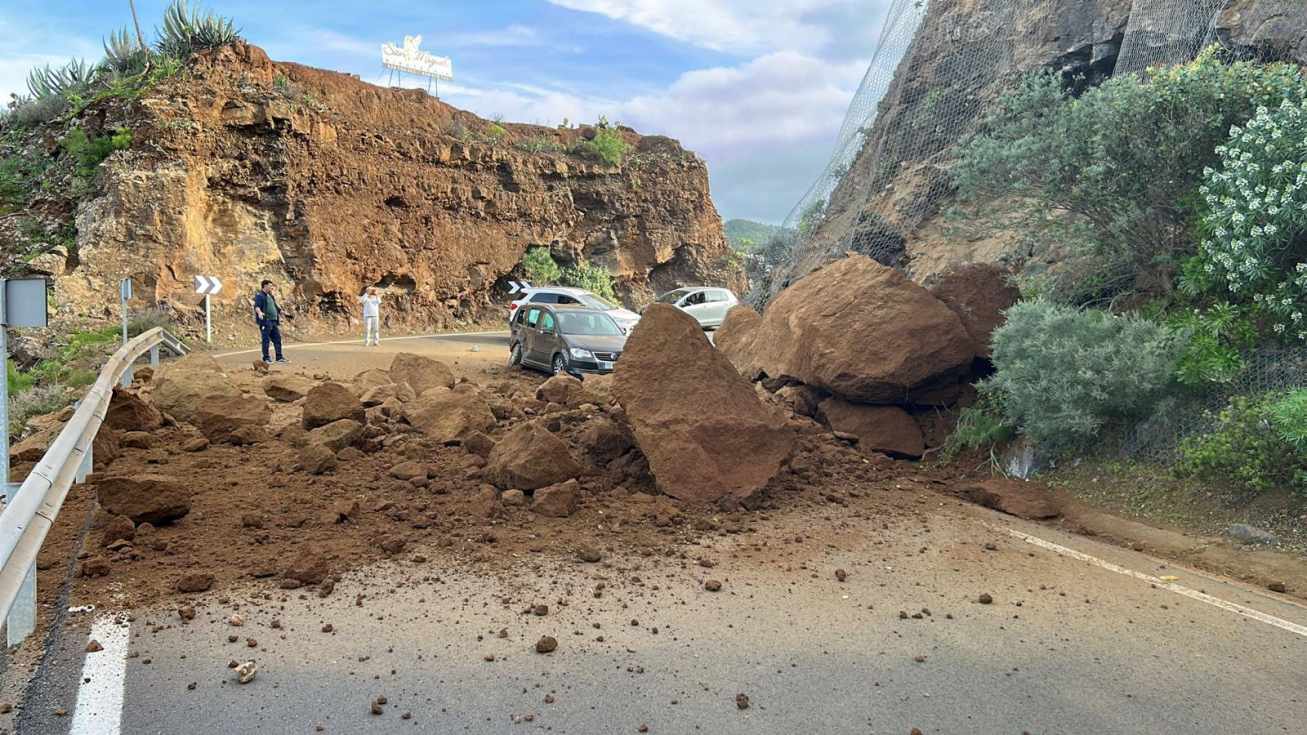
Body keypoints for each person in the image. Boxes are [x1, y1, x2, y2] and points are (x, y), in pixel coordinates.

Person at [253, 279, 288, 364]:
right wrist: (259, 313)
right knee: (266, 340)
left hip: (273, 321)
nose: (271, 287)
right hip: (266, 321)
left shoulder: (270, 296)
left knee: (277, 339)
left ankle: (279, 357)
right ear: (265, 286)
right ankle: (266, 358)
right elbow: (257, 306)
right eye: (270, 286)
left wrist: (281, 312)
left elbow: (275, 306)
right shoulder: (260, 295)